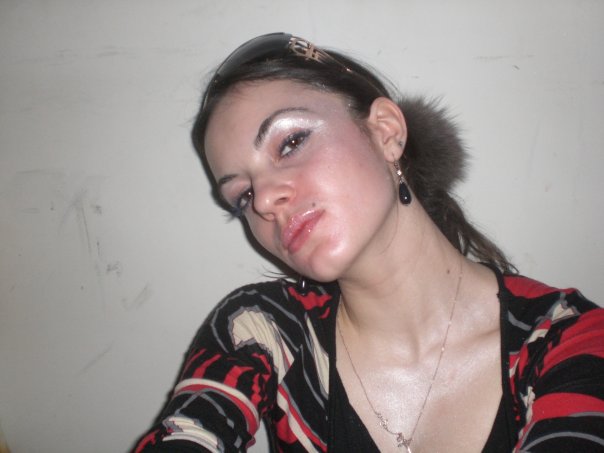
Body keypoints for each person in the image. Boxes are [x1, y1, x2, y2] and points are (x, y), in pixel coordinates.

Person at [133, 33, 604, 452]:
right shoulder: (262, 330)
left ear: (386, 132)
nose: (266, 201)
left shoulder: (567, 338)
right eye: (243, 196)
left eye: (290, 142)